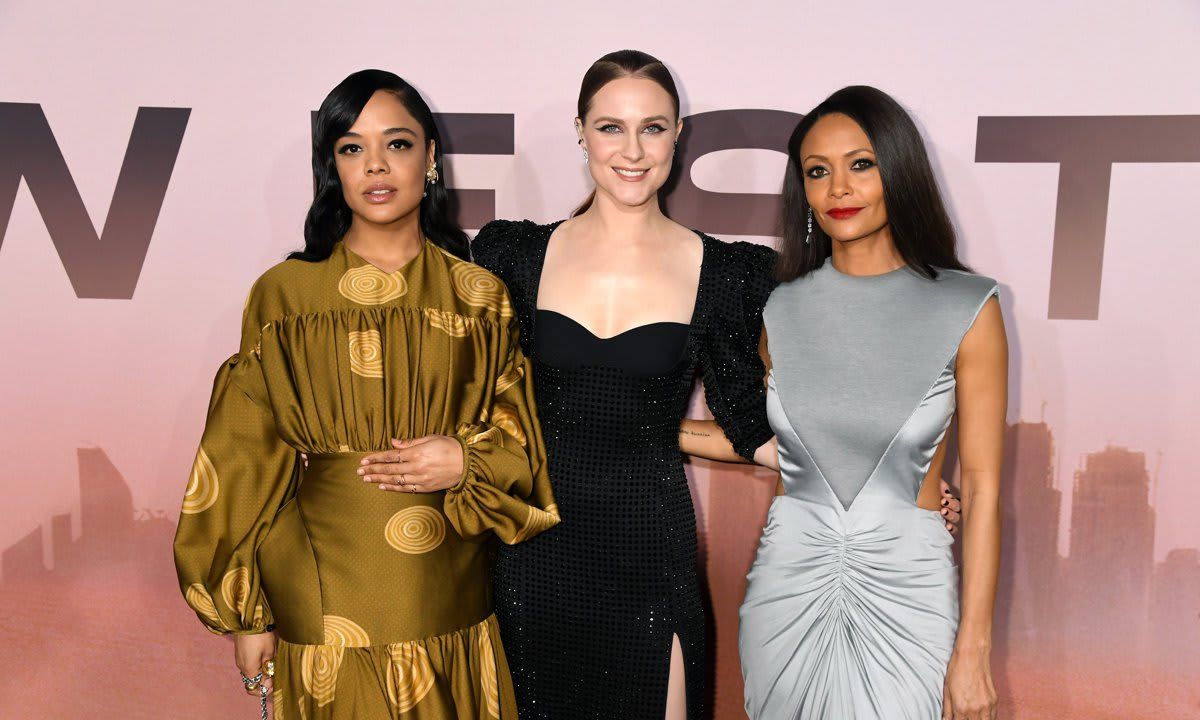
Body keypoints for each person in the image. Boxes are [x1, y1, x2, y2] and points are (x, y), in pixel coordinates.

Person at [172, 69, 558, 719]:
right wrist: (246, 612)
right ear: (332, 166)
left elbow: (522, 445)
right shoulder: (285, 296)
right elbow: (242, 455)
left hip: (449, 587)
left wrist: (467, 460)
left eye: (398, 144)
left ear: (431, 157)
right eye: (351, 147)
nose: (376, 165)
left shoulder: (479, 296)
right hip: (321, 591)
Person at [685, 86, 1005, 720]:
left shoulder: (967, 306)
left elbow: (987, 490)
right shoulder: (776, 306)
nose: (839, 188)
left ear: (898, 170)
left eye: (861, 164)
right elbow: (772, 444)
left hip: (908, 590)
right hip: (786, 586)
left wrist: (974, 650)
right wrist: (636, 425)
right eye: (817, 171)